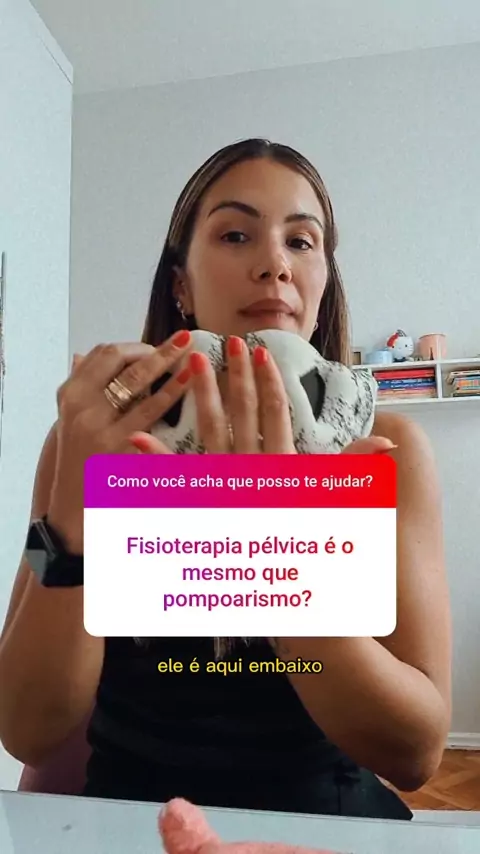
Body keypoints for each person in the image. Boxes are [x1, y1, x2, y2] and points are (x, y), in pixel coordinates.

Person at [0, 139, 451, 820]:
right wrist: (73, 519)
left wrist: (274, 555)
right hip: (131, 825)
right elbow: (28, 729)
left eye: (301, 241)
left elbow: (415, 754)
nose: (275, 264)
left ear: (323, 286)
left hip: (323, 826)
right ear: (179, 285)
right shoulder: (93, 441)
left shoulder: (384, 454)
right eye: (236, 235)